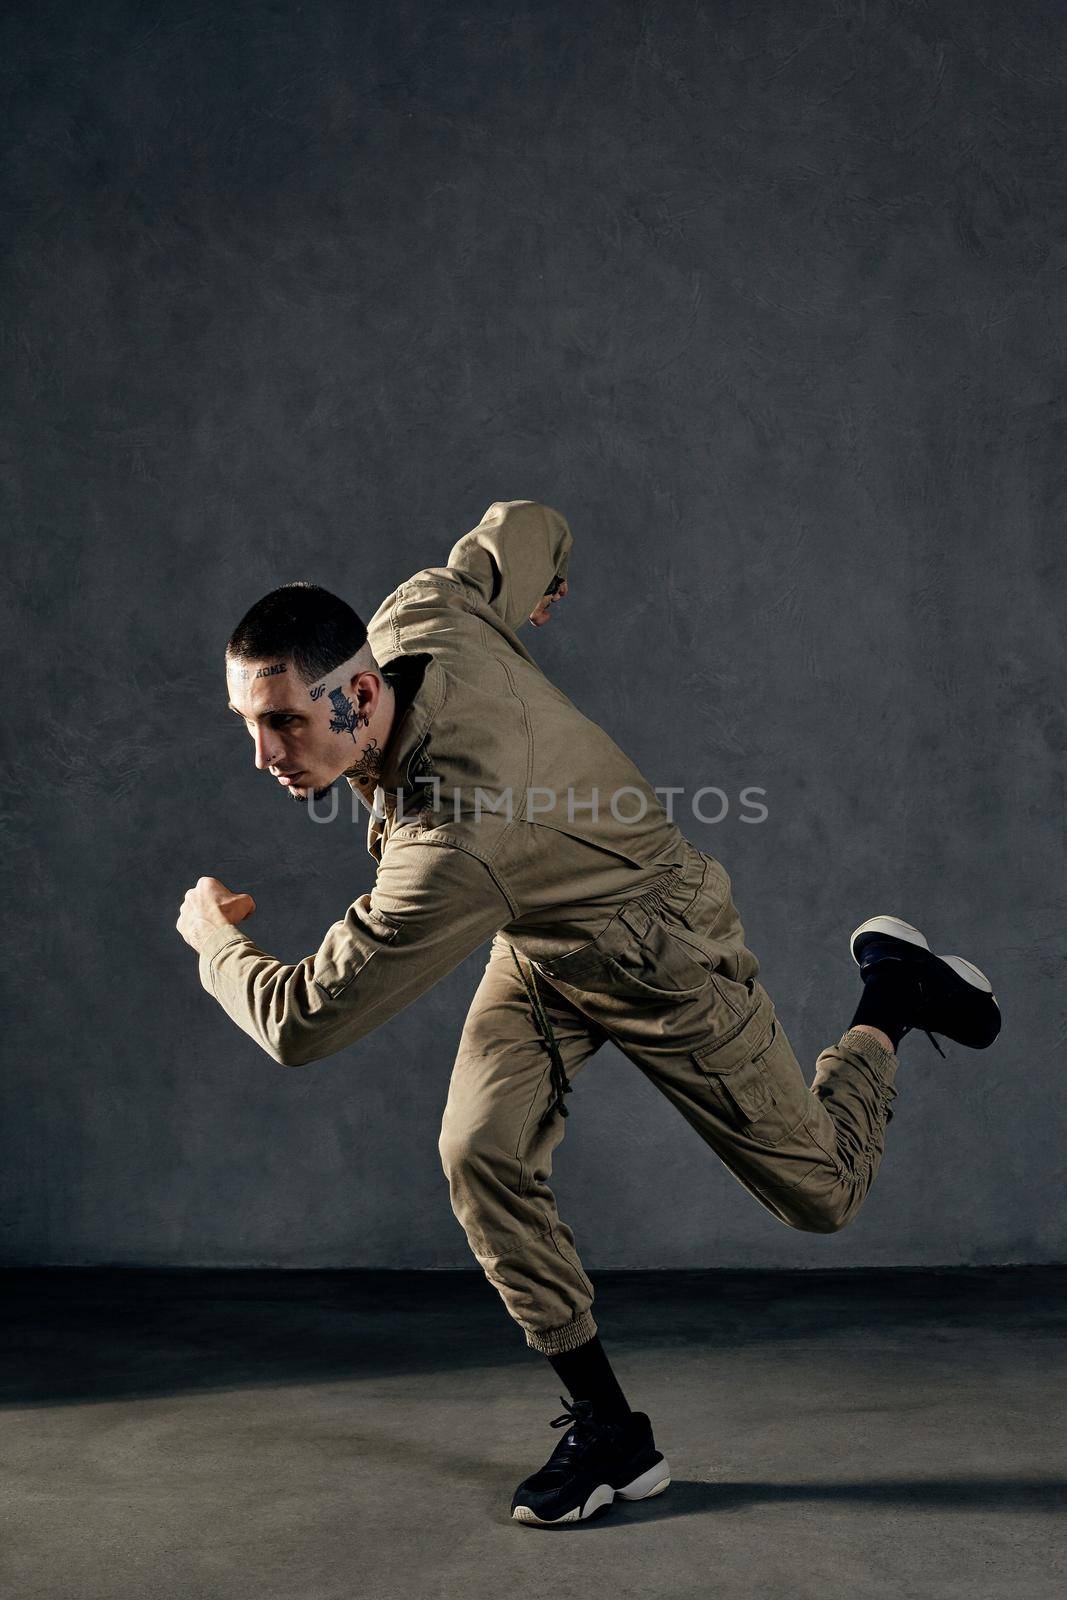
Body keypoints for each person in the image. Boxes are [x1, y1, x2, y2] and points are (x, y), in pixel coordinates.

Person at [176, 499, 1001, 1528]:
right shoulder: (424, 614)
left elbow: (300, 1023)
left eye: (284, 720)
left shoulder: (454, 841)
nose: (263, 753)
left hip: (661, 951)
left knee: (821, 1196)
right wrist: (543, 571)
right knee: (478, 1149)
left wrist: (212, 937)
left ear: (357, 689)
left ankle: (892, 990)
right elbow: (521, 524)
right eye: (248, 723)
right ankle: (612, 1432)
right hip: (537, 937)